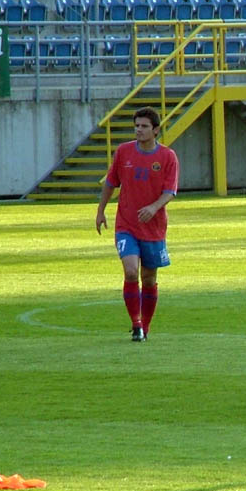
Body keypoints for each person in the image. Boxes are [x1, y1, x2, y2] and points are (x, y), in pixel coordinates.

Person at [95, 107, 180, 342]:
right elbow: (111, 183)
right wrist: (101, 211)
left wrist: (153, 208)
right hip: (127, 225)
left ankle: (147, 326)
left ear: (155, 130)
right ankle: (136, 324)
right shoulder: (123, 152)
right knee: (131, 272)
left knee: (149, 278)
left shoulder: (167, 157)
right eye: (136, 126)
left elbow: (170, 191)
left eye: (143, 126)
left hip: (153, 228)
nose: (138, 130)